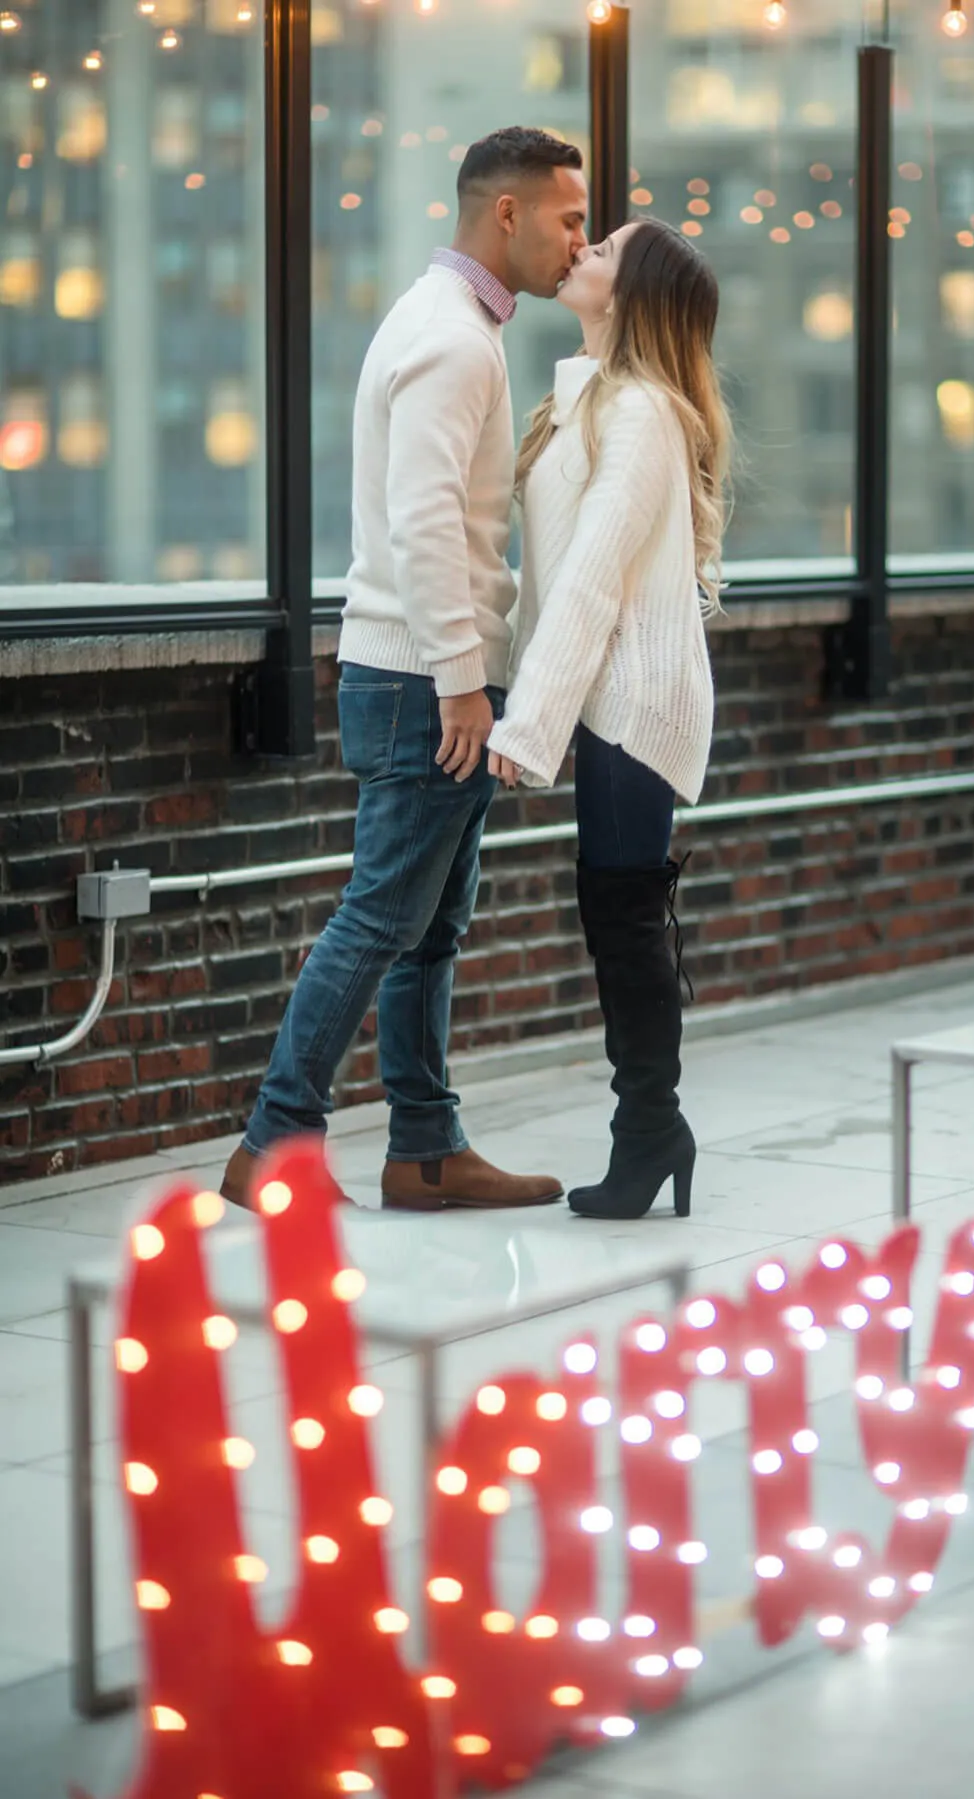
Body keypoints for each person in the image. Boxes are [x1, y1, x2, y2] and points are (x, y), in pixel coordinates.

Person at [221, 127, 589, 1213]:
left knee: (430, 927)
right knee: (381, 919)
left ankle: (425, 1149)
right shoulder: (451, 338)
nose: (581, 240)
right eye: (569, 217)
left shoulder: (454, 322)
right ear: (508, 213)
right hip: (426, 683)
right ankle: (273, 1146)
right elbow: (423, 523)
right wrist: (462, 680)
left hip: (425, 675)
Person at [486, 218, 731, 1221]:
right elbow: (552, 581)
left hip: (636, 695)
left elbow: (590, 580)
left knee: (623, 916)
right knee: (618, 912)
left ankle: (650, 1132)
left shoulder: (640, 414)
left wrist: (525, 725)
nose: (582, 250)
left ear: (631, 296)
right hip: (604, 691)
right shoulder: (587, 400)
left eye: (605, 252)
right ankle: (653, 1131)